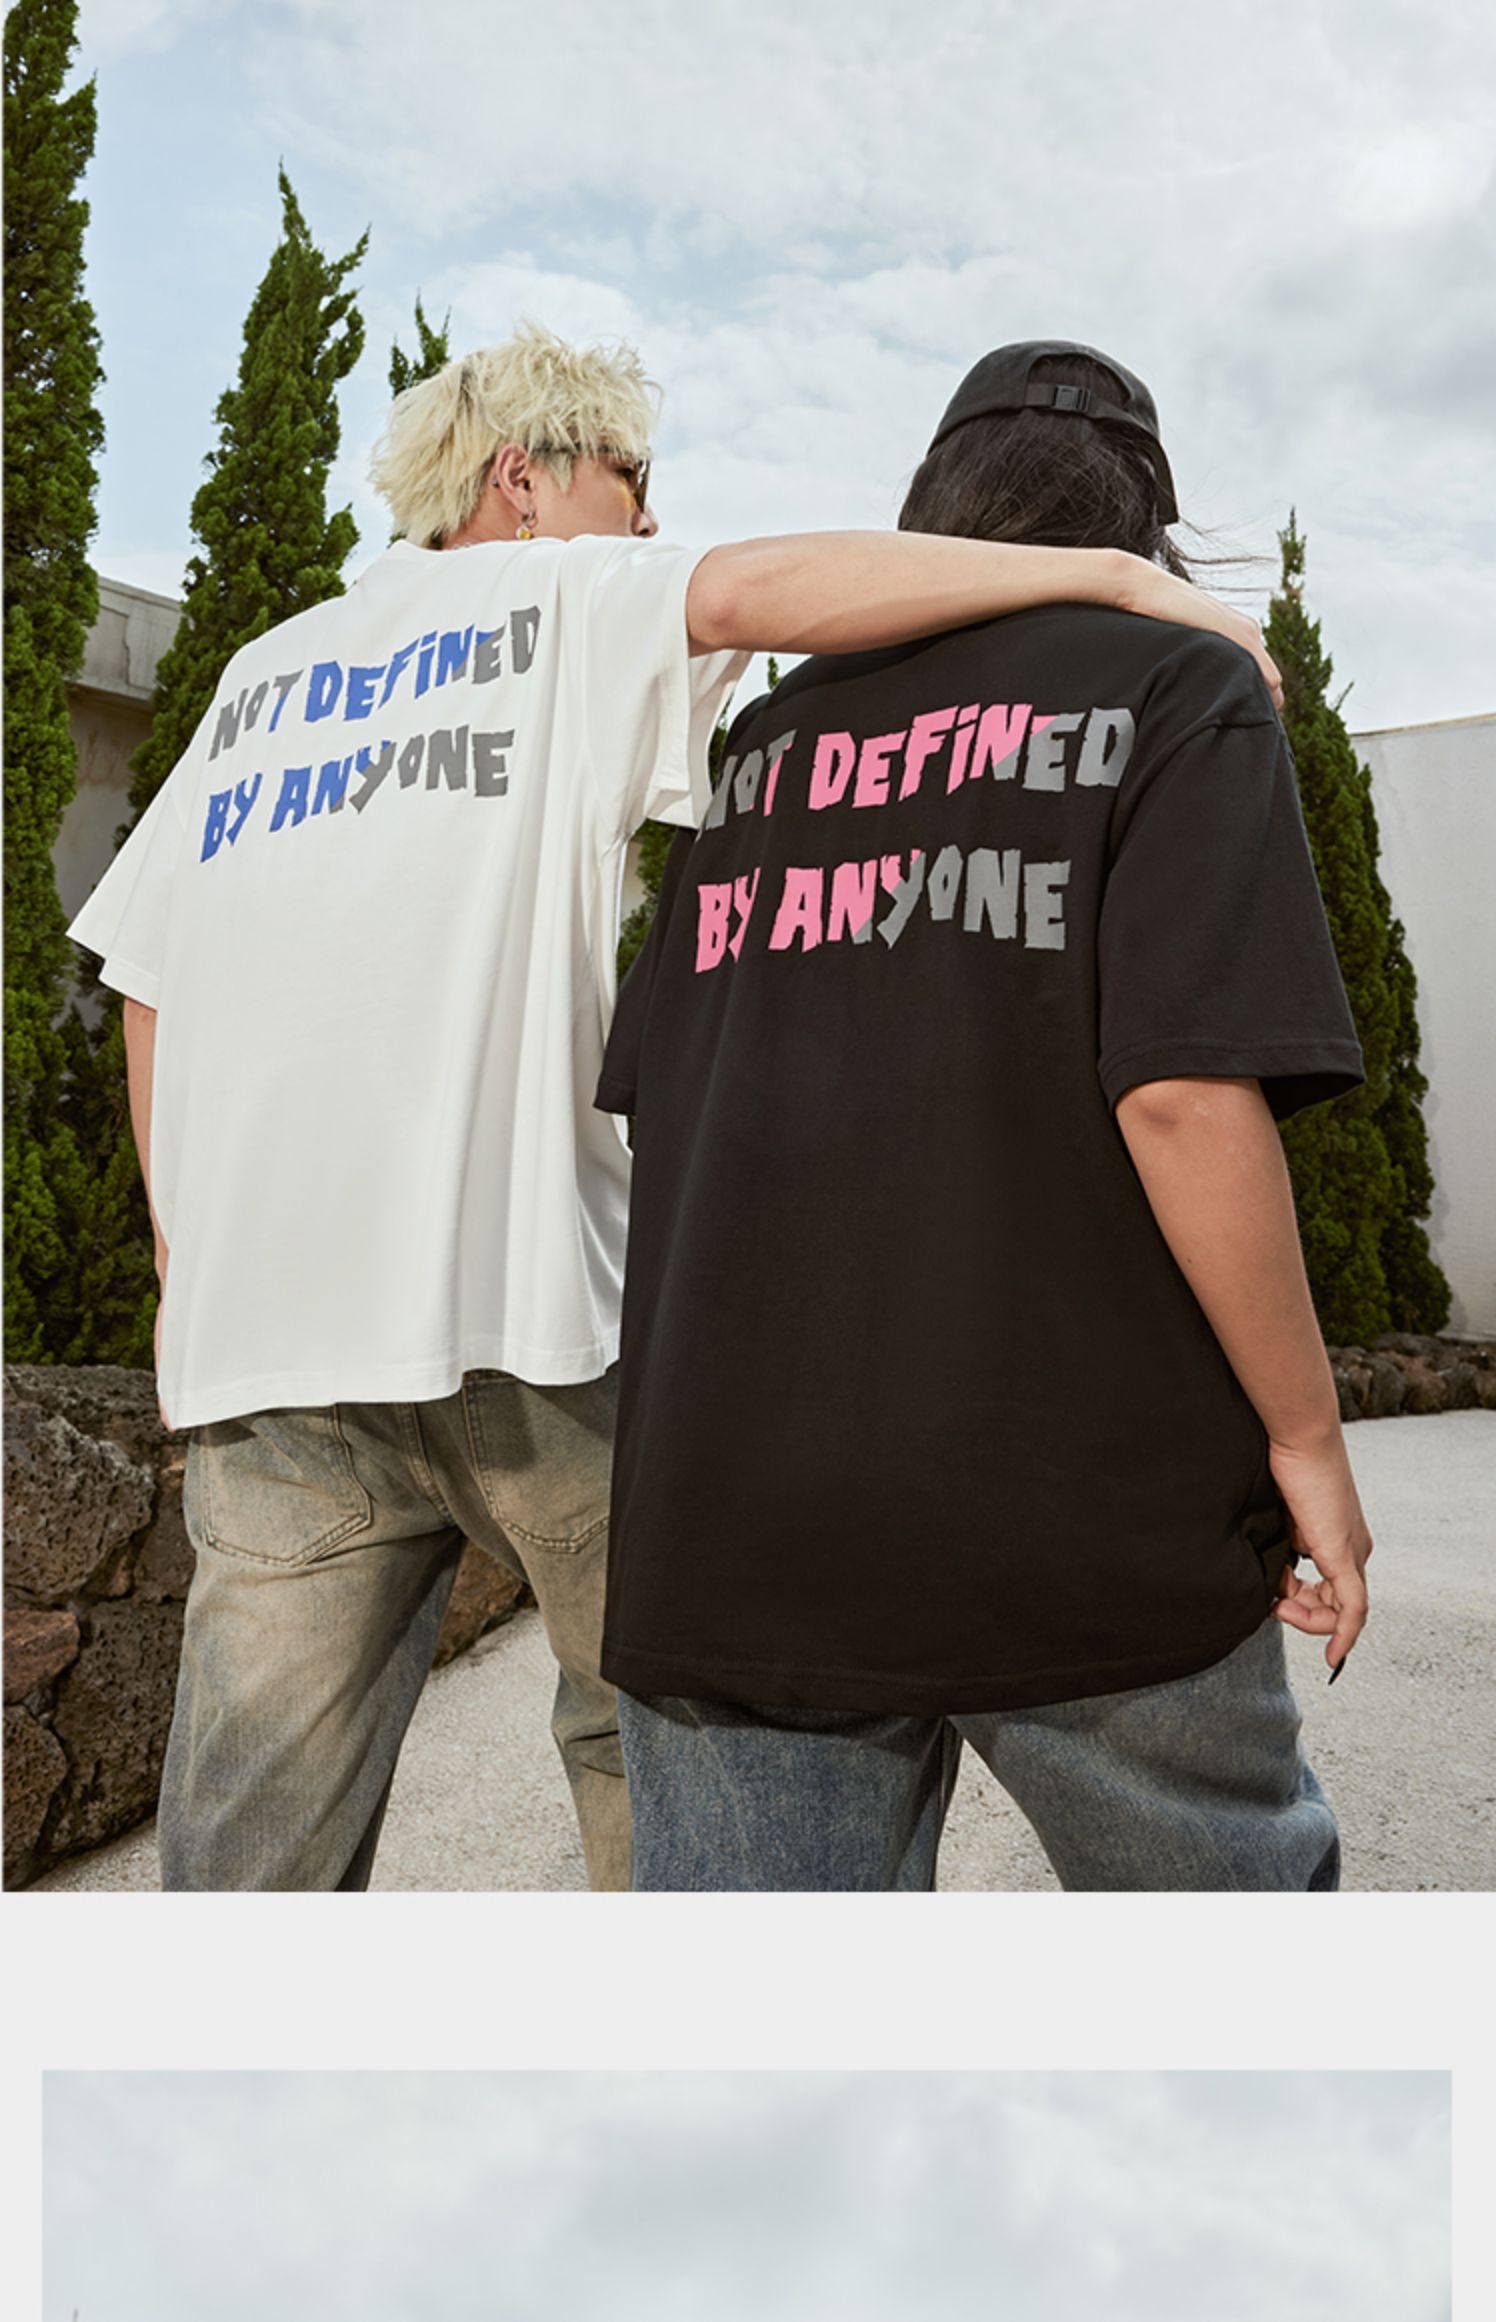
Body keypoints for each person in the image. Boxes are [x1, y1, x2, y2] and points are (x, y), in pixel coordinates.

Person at [69, 322, 1285, 1892]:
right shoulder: (560, 598)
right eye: (631, 477)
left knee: (248, 1856)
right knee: (670, 1745)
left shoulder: (261, 674)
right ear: (521, 478)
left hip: (273, 1353)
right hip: (524, 1327)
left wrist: (187, 1248)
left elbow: (149, 973)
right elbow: (770, 587)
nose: (649, 517)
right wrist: (1111, 579)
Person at [596, 339, 1374, 1893]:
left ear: (933, 501)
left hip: (740, 1528)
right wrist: (1307, 1436)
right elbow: (1181, 1098)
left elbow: (660, 1111)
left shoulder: (766, 741)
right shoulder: (1179, 682)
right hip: (1089, 1514)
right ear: (1142, 525)